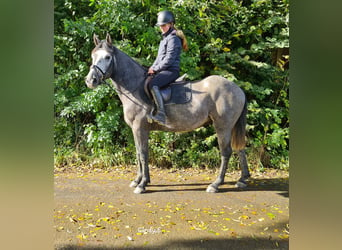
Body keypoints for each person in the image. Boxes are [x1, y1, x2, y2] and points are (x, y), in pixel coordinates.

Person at [147, 10, 188, 125]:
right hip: (163, 69)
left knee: (153, 84)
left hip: (171, 71)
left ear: (170, 24)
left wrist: (156, 69)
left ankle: (161, 114)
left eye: (164, 25)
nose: (162, 28)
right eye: (160, 26)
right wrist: (152, 68)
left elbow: (169, 59)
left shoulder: (173, 39)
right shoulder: (165, 39)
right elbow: (159, 58)